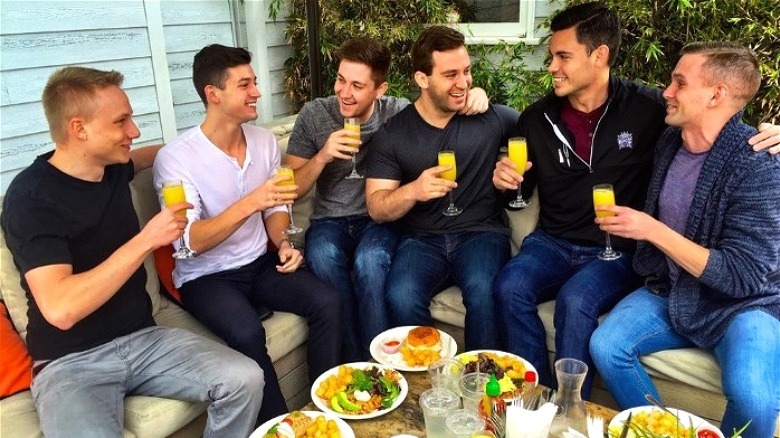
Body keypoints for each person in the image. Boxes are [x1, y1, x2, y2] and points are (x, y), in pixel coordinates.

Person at [491, 2, 780, 398]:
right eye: (550, 56)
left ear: (599, 55)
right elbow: (520, 196)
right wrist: (509, 184)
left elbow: (718, 124)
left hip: (617, 249)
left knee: (576, 300)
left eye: (562, 56)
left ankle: (572, 406)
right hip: (553, 241)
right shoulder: (536, 119)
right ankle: (536, 397)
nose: (551, 67)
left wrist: (774, 136)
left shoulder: (650, 111)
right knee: (508, 285)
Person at [0, 66, 263, 437]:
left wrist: (199, 151)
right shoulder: (30, 199)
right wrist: (146, 239)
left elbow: (156, 154)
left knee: (245, 379)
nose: (134, 131)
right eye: (121, 122)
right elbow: (60, 308)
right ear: (79, 129)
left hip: (144, 339)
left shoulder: (113, 167)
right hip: (71, 362)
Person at [589, 42, 780, 438]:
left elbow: (741, 277)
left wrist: (652, 230)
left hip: (745, 307)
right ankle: (663, 430)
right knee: (607, 346)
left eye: (679, 82)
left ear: (717, 95)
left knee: (754, 399)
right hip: (674, 290)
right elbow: (607, 95)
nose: (667, 92)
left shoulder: (759, 165)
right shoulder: (669, 142)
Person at [153, 44, 341, 422]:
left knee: (328, 301)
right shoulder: (177, 159)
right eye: (245, 84)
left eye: (255, 82)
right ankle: (281, 428)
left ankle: (327, 416)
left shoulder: (263, 141)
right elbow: (189, 241)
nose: (257, 91)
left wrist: (283, 243)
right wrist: (252, 201)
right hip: (206, 277)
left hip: (259, 262)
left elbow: (275, 207)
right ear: (213, 93)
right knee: (247, 333)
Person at [284, 36, 489, 361]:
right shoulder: (314, 115)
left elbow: (441, 108)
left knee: (371, 262)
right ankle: (357, 363)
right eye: (340, 80)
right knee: (322, 256)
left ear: (379, 90)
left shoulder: (397, 114)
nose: (344, 92)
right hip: (329, 220)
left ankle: (381, 361)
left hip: (377, 218)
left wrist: (475, 94)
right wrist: (322, 156)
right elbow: (289, 188)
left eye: (357, 85)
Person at [365, 26, 520, 351]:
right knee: (401, 294)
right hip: (422, 239)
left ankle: (481, 385)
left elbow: (540, 127)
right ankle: (430, 387)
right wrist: (414, 190)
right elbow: (377, 208)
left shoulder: (488, 117)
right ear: (422, 79)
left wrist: (512, 172)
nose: (463, 83)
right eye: (451, 74)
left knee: (484, 289)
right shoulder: (393, 134)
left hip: (481, 233)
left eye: (467, 72)